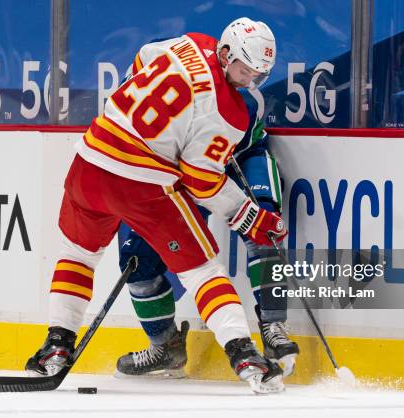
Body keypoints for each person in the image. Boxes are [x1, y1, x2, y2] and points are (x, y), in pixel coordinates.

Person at [25, 17, 287, 394]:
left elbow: (141, 58)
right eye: (245, 70)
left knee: (78, 254)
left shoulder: (192, 42)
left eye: (257, 76)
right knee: (201, 269)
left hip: (90, 159)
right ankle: (244, 354)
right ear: (227, 53)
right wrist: (248, 215)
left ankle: (57, 346)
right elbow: (201, 183)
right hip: (141, 183)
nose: (249, 81)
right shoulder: (230, 113)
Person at [115, 101, 300, 379]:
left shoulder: (209, 82)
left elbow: (244, 105)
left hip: (242, 157)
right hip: (184, 173)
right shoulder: (139, 100)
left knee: (264, 226)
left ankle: (273, 325)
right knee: (138, 257)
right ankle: (164, 346)